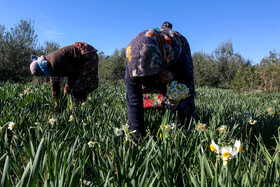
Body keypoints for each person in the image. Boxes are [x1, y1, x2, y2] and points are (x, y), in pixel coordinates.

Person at [125, 22, 195, 138]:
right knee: (140, 90)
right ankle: (159, 106)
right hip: (156, 52)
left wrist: (186, 128)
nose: (147, 83)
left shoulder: (177, 53)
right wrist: (137, 136)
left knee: (182, 91)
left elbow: (187, 87)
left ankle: (183, 125)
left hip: (170, 50)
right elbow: (133, 101)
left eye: (149, 77)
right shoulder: (132, 63)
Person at [30, 42, 99, 108]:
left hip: (87, 55)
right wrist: (57, 102)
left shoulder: (55, 63)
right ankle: (78, 106)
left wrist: (67, 87)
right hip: (81, 57)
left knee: (78, 87)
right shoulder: (49, 65)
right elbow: (55, 86)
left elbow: (73, 74)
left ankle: (77, 109)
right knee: (75, 88)